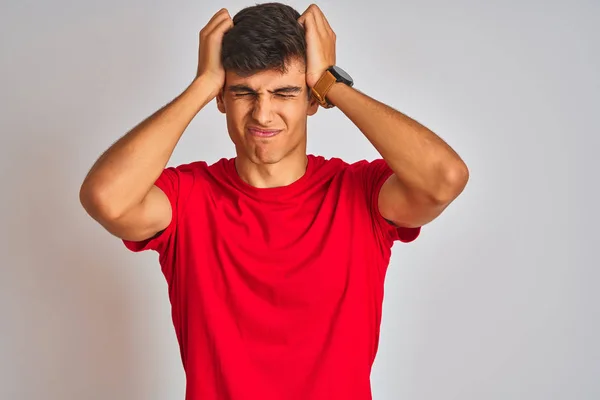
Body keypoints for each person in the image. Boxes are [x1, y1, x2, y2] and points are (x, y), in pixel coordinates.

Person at [79, 3, 469, 399]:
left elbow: (444, 179)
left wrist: (331, 82)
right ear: (221, 98)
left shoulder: (360, 194)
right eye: (243, 93)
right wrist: (201, 84)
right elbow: (107, 199)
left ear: (312, 100)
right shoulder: (188, 199)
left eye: (285, 92)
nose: (263, 114)